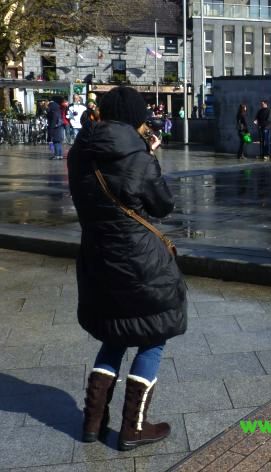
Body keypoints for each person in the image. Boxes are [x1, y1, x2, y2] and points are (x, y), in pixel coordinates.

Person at [67, 86, 187, 451]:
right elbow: (162, 205)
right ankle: (133, 427)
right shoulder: (137, 156)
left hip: (97, 257)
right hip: (140, 261)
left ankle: (92, 422)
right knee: (153, 334)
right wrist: (151, 158)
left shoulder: (79, 154)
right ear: (137, 119)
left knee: (114, 333)